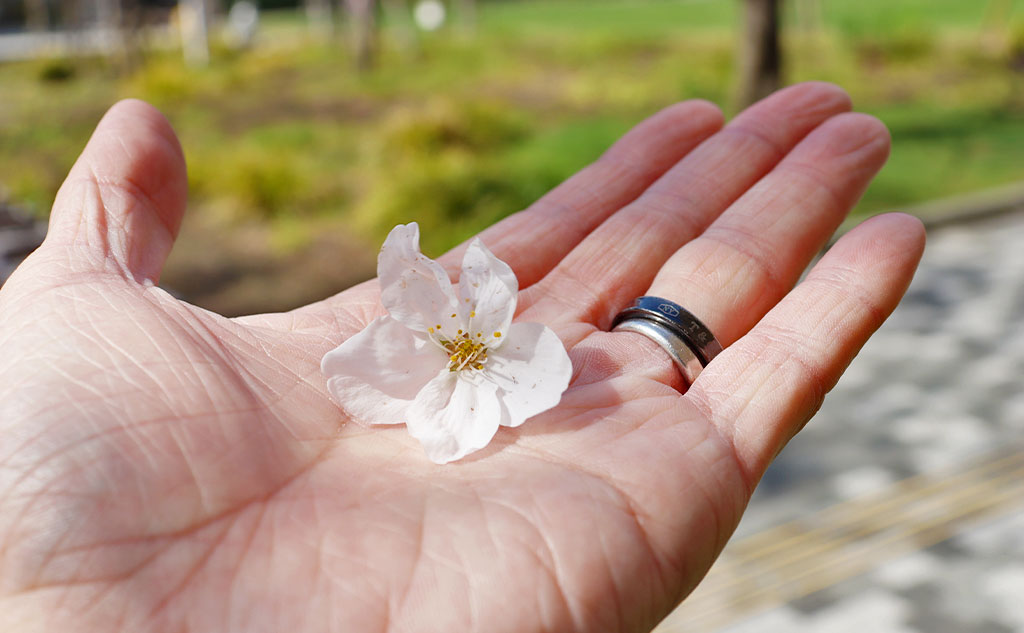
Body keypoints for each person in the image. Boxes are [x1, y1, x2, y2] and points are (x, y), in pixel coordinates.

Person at [0, 82, 924, 632]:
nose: (467, 341)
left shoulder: (496, 343)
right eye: (463, 337)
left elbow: (507, 350)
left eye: (471, 334)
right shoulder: (426, 357)